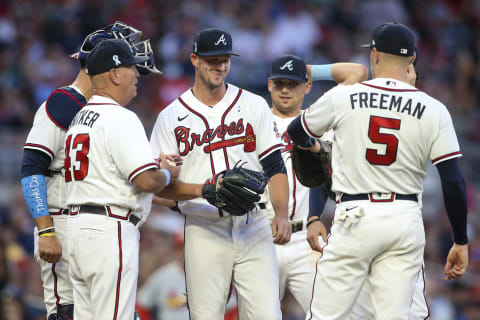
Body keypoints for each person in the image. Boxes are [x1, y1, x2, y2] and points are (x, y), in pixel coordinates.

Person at [288, 22, 469, 319]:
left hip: (355, 216)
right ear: (412, 60)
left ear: (374, 55)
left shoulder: (345, 96)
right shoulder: (434, 108)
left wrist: (316, 150)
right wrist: (460, 240)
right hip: (404, 217)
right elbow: (453, 182)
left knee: (324, 316)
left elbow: (297, 130)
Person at [150, 27, 291, 320]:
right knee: (205, 316)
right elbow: (158, 186)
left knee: (268, 315)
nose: (220, 66)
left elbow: (275, 165)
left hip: (254, 224)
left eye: (225, 58)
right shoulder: (170, 117)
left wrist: (280, 213)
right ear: (194, 59)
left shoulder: (253, 105)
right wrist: (204, 189)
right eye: (213, 59)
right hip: (203, 226)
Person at [20, 22, 144, 320]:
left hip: (89, 228)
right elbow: (31, 167)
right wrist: (46, 229)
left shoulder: (104, 110)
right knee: (66, 313)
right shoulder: (64, 101)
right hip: (60, 223)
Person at [64, 38, 179, 319]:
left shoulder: (79, 118)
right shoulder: (121, 117)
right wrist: (167, 173)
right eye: (131, 68)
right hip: (109, 229)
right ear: (115, 74)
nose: (137, 74)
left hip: (77, 230)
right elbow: (147, 182)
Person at [265, 54, 368, 315]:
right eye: (280, 83)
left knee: (333, 313)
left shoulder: (318, 120)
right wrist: (298, 72)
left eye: (294, 83)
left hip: (305, 240)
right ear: (269, 85)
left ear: (307, 85)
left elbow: (357, 72)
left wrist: (309, 69)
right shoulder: (256, 120)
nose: (286, 89)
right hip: (260, 237)